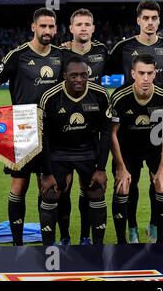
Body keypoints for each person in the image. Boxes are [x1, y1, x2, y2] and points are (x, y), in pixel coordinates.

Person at [0, 8, 62, 246]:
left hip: (53, 130)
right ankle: (17, 245)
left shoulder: (61, 55)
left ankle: (48, 243)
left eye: (51, 26)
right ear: (33, 27)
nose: (47, 31)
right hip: (24, 129)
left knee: (47, 186)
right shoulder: (17, 55)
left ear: (56, 29)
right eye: (43, 26)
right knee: (19, 185)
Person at [107, 0, 163, 243]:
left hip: (157, 132)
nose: (150, 22)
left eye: (154, 18)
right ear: (138, 20)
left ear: (159, 21)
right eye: (146, 18)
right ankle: (130, 228)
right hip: (128, 135)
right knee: (127, 184)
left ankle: (154, 226)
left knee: (159, 184)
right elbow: (97, 66)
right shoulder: (123, 47)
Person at [38, 56, 112, 246]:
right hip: (58, 152)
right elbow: (43, 136)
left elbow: (106, 132)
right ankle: (52, 247)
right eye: (73, 75)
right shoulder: (50, 97)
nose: (79, 79)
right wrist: (46, 173)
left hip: (88, 151)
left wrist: (101, 168)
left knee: (96, 192)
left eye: (83, 75)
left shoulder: (100, 94)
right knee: (51, 192)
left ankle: (97, 248)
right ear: (64, 76)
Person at [110, 54, 163, 244]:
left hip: (155, 148)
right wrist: (121, 167)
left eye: (149, 73)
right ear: (133, 74)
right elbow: (112, 134)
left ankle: (157, 233)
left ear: (155, 74)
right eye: (141, 73)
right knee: (124, 187)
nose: (145, 78)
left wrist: (162, 168)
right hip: (128, 149)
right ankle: (128, 233)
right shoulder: (120, 97)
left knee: (162, 186)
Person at [58, 8, 109, 246]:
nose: (83, 28)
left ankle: (86, 236)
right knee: (63, 188)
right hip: (64, 129)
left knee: (87, 187)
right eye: (79, 24)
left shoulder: (103, 51)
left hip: (93, 129)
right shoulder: (61, 52)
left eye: (87, 24)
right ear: (71, 28)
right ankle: (65, 237)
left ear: (93, 27)